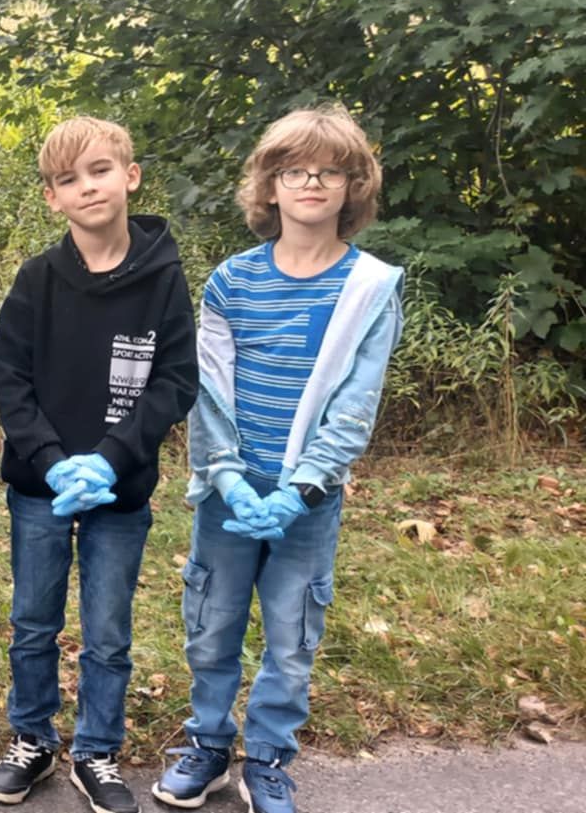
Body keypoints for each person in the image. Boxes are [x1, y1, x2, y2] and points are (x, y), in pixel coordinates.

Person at [153, 106, 404, 813]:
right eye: (294, 171)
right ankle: (207, 744)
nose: (312, 183)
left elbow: (356, 403)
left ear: (353, 186)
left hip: (308, 502)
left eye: (329, 171)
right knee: (211, 624)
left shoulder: (369, 288)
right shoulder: (232, 281)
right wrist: (228, 476)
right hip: (228, 495)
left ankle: (266, 759)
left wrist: (302, 489)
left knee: (292, 636)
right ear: (269, 185)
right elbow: (208, 389)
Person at [0, 116, 197, 812]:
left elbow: (175, 381)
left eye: (100, 170)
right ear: (53, 198)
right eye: (69, 179)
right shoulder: (37, 280)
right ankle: (32, 738)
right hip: (39, 490)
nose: (88, 187)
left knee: (107, 631)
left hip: (119, 490)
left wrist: (109, 460)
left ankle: (97, 749)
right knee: (33, 620)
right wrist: (49, 461)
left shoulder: (163, 280)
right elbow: (10, 376)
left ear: (130, 176)